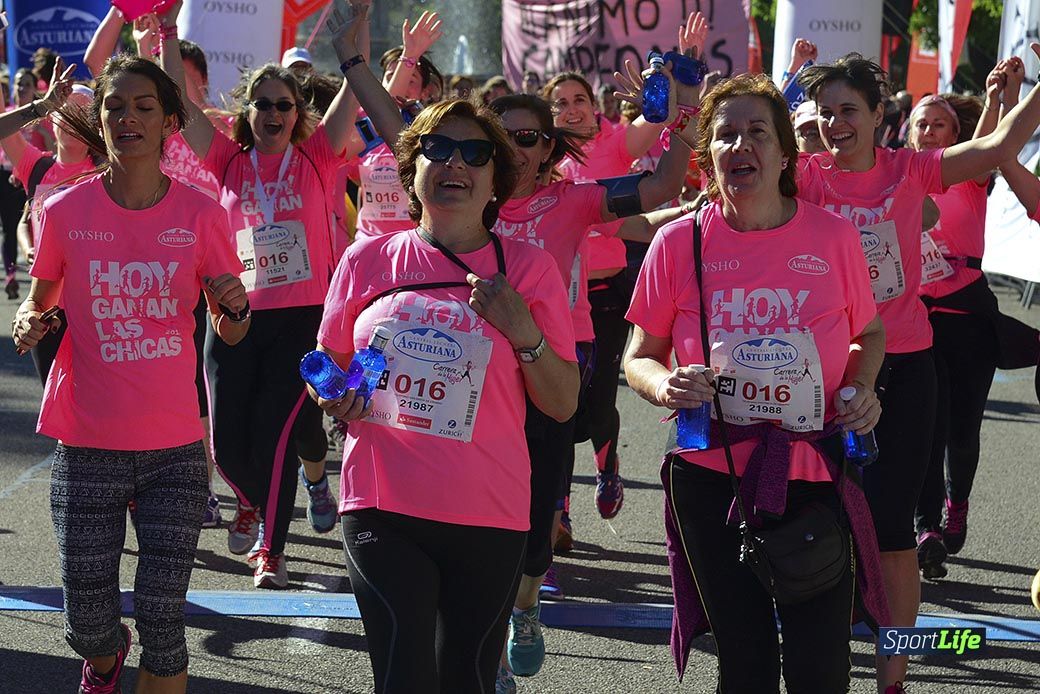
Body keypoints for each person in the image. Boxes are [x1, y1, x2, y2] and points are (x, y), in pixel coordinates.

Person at [316, 9, 578, 691]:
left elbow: (561, 401)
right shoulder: (366, 261)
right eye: (436, 150)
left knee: (463, 677)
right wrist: (333, 394)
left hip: (487, 511)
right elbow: (328, 369)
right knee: (406, 671)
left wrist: (525, 333)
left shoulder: (528, 270)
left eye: (474, 153)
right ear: (412, 172)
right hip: (380, 503)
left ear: (497, 183)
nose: (453, 164)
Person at [623, 71, 888, 693]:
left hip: (811, 470)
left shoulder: (833, 236)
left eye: (757, 133)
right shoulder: (676, 242)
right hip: (712, 474)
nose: (740, 146)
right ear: (708, 154)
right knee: (744, 663)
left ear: (785, 152)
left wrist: (861, 388)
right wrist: (665, 386)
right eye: (724, 135)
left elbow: (869, 335)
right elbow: (638, 355)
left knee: (820, 665)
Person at [788, 47, 1040, 693]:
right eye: (825, 113)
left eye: (849, 111)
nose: (835, 124)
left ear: (879, 116)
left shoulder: (910, 171)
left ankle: (892, 679)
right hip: (823, 373)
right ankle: (824, 652)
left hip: (905, 365)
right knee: (824, 518)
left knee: (894, 530)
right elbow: (732, 156)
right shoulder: (807, 176)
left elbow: (999, 143)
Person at [11, 53, 249, 694]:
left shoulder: (202, 214)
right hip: (87, 440)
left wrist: (234, 309)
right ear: (101, 119)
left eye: (145, 107)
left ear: (171, 121)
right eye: (115, 106)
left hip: (173, 444)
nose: (128, 118)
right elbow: (40, 300)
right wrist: (29, 322)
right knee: (86, 621)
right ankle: (104, 656)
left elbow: (232, 327)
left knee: (164, 621)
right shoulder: (62, 211)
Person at [159, 0, 362, 588]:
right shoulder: (225, 159)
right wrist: (168, 30)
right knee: (223, 440)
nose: (273, 112)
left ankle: (269, 550)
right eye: (263, 103)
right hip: (233, 312)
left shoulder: (319, 157)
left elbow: (354, 91)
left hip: (302, 318)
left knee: (275, 432)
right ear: (247, 113)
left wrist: (358, 30)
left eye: (285, 104)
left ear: (297, 114)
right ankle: (251, 499)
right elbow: (178, 101)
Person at [907, 86, 998, 579]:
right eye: (920, 123)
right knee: (927, 425)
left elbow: (989, 144)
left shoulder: (967, 176)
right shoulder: (898, 175)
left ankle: (955, 501)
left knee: (962, 431)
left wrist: (995, 100)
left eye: (938, 124)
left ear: (955, 134)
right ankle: (927, 530)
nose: (927, 131)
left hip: (968, 313)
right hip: (916, 316)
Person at [1, 69, 98, 387]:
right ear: (51, 119)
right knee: (55, 401)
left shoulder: (110, 170)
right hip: (45, 308)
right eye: (64, 110)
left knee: (96, 402)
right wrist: (40, 105)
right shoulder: (36, 166)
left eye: (82, 112)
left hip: (96, 305)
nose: (71, 119)